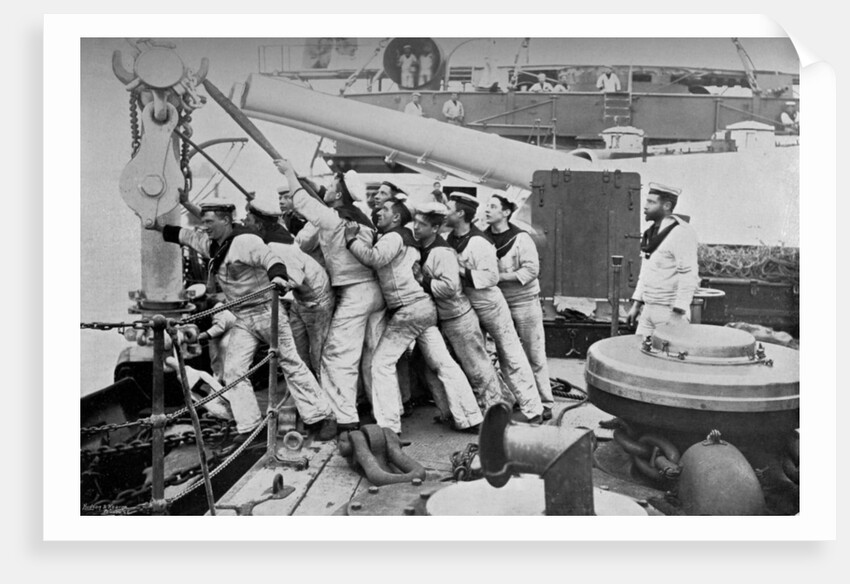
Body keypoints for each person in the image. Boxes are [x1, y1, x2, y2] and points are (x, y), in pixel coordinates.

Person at [150, 199, 337, 441]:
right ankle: (250, 427)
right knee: (234, 370)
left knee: (291, 362)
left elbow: (271, 260)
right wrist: (156, 226)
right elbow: (185, 235)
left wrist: (278, 278)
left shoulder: (245, 241)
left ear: (226, 220)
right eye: (203, 222)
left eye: (209, 222)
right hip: (243, 317)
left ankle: (323, 417)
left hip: (266, 311)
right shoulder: (213, 244)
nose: (204, 227)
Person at [344, 198, 483, 434]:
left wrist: (350, 240)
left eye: (385, 209)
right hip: (424, 308)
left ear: (397, 217)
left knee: (381, 364)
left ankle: (389, 426)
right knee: (443, 363)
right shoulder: (409, 238)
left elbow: (373, 258)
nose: (379, 212)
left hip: (408, 310)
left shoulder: (393, 237)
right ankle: (470, 418)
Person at [275, 159, 386, 434]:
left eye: (332, 186)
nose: (328, 188)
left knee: (336, 356)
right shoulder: (363, 219)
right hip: (375, 292)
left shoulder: (334, 218)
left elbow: (302, 203)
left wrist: (289, 173)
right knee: (373, 358)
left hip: (355, 292)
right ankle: (386, 420)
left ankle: (345, 419)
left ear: (338, 195)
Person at [445, 192, 544, 423]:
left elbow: (490, 278)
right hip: (468, 301)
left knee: (511, 353)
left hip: (490, 302)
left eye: (449, 209)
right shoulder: (453, 238)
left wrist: (458, 270)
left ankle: (534, 409)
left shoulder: (478, 241)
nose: (445, 213)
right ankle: (503, 402)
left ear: (460, 214)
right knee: (484, 355)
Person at [412, 202, 504, 412]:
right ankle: (451, 412)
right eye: (415, 223)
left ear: (434, 228)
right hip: (443, 318)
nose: (416, 228)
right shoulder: (425, 248)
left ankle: (495, 411)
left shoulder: (441, 251)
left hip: (459, 317)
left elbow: (450, 287)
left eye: (422, 224)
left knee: (477, 367)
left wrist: (422, 280)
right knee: (427, 367)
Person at [243, 191, 335, 385]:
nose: (244, 223)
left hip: (316, 301)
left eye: (248, 219)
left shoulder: (278, 245)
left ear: (259, 225)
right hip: (302, 301)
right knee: (299, 353)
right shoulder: (274, 236)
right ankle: (311, 397)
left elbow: (295, 278)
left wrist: (275, 287)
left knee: (319, 354)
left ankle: (330, 400)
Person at [484, 194, 554, 420]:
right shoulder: (483, 239)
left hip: (524, 301)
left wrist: (500, 276)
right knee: (506, 354)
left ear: (505, 212)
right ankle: (517, 398)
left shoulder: (521, 239)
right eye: (487, 206)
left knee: (534, 352)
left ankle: (544, 402)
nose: (487, 210)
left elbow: (532, 270)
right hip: (499, 303)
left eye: (493, 207)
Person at [626, 183, 700, 338]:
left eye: (652, 202)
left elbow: (689, 276)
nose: (645, 206)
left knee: (669, 359)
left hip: (669, 312)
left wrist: (678, 312)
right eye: (647, 201)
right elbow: (645, 271)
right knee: (640, 357)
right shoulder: (652, 233)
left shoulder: (681, 233)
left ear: (666, 206)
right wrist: (636, 304)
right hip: (648, 310)